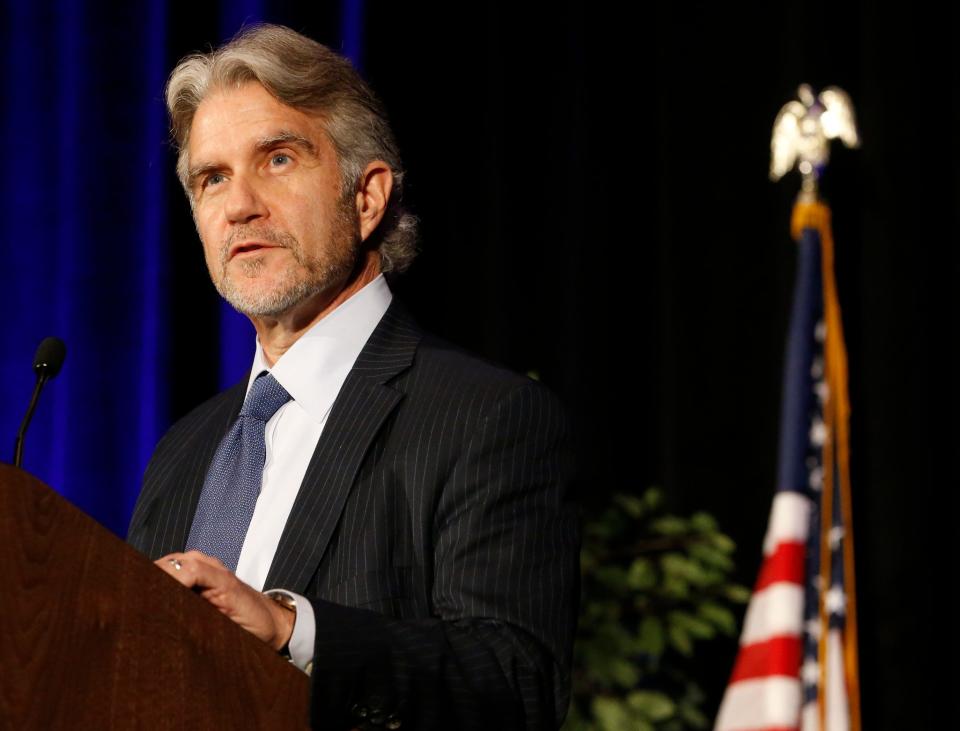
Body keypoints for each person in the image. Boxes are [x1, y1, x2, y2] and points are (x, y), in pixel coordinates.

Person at [127, 23, 579, 731]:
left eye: (277, 159)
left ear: (366, 197)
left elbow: (515, 681)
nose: (238, 204)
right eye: (212, 178)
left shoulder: (484, 415)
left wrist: (290, 629)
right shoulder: (184, 449)